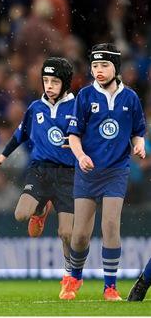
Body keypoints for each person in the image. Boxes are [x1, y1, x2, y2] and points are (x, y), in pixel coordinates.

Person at [63, 43, 146, 301]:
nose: (98, 70)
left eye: (104, 65)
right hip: (88, 171)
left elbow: (137, 131)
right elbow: (73, 136)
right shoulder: (85, 96)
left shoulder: (130, 98)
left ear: (116, 68)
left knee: (110, 226)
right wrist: (81, 156)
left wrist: (139, 145)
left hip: (116, 171)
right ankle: (74, 277)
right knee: (79, 235)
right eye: (95, 65)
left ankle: (110, 287)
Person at [0, 57, 76, 299]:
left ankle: (69, 277)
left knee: (67, 234)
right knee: (20, 214)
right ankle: (40, 210)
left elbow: (87, 139)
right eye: (46, 81)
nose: (49, 86)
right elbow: (20, 135)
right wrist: (2, 157)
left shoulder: (78, 107)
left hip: (68, 175)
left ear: (66, 83)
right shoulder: (36, 107)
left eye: (54, 81)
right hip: (39, 171)